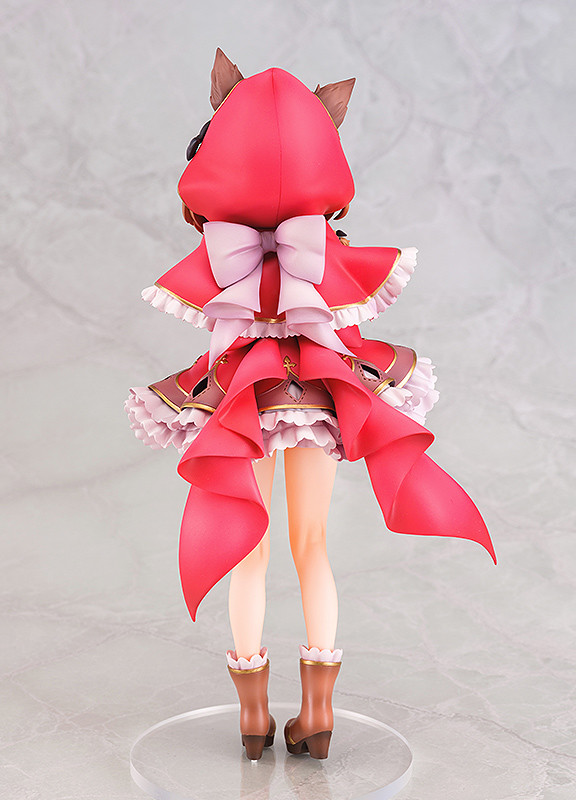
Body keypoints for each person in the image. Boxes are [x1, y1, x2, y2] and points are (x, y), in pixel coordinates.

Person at [126, 49, 495, 761]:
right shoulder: (325, 250)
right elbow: (343, 324)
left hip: (244, 401)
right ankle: (318, 711)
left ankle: (253, 714)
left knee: (250, 548)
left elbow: (219, 333)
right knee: (313, 543)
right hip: (317, 399)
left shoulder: (223, 253)